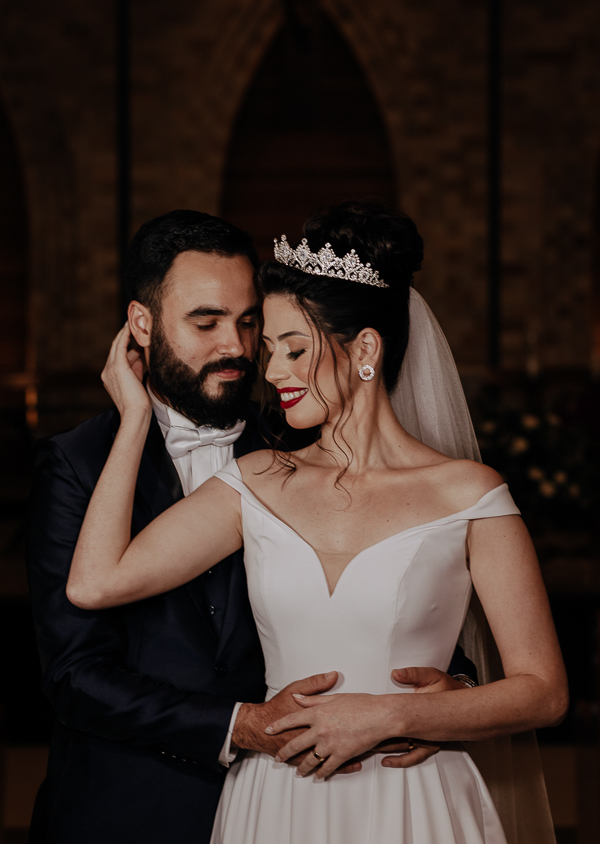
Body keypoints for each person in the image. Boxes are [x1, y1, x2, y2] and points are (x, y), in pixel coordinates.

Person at [66, 201, 567, 844]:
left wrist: (390, 715)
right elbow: (95, 583)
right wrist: (134, 418)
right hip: (278, 800)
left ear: (364, 349)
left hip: (413, 800)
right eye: (269, 349)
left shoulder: (471, 494)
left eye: (294, 350)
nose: (270, 372)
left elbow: (543, 691)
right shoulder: (258, 480)